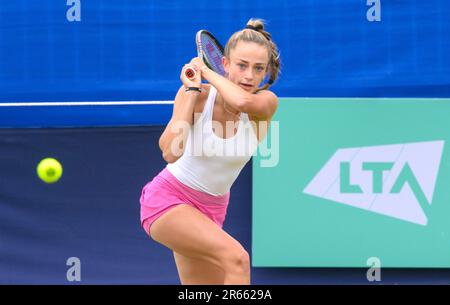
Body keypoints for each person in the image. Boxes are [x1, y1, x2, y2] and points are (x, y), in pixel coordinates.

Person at [140, 18, 281, 285]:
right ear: (226, 64)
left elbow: (240, 100)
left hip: (212, 210)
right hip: (168, 200)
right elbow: (170, 152)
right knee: (237, 259)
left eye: (258, 69)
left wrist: (206, 71)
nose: (249, 76)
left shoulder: (265, 103)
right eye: (241, 65)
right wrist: (192, 91)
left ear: (265, 74)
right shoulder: (198, 96)